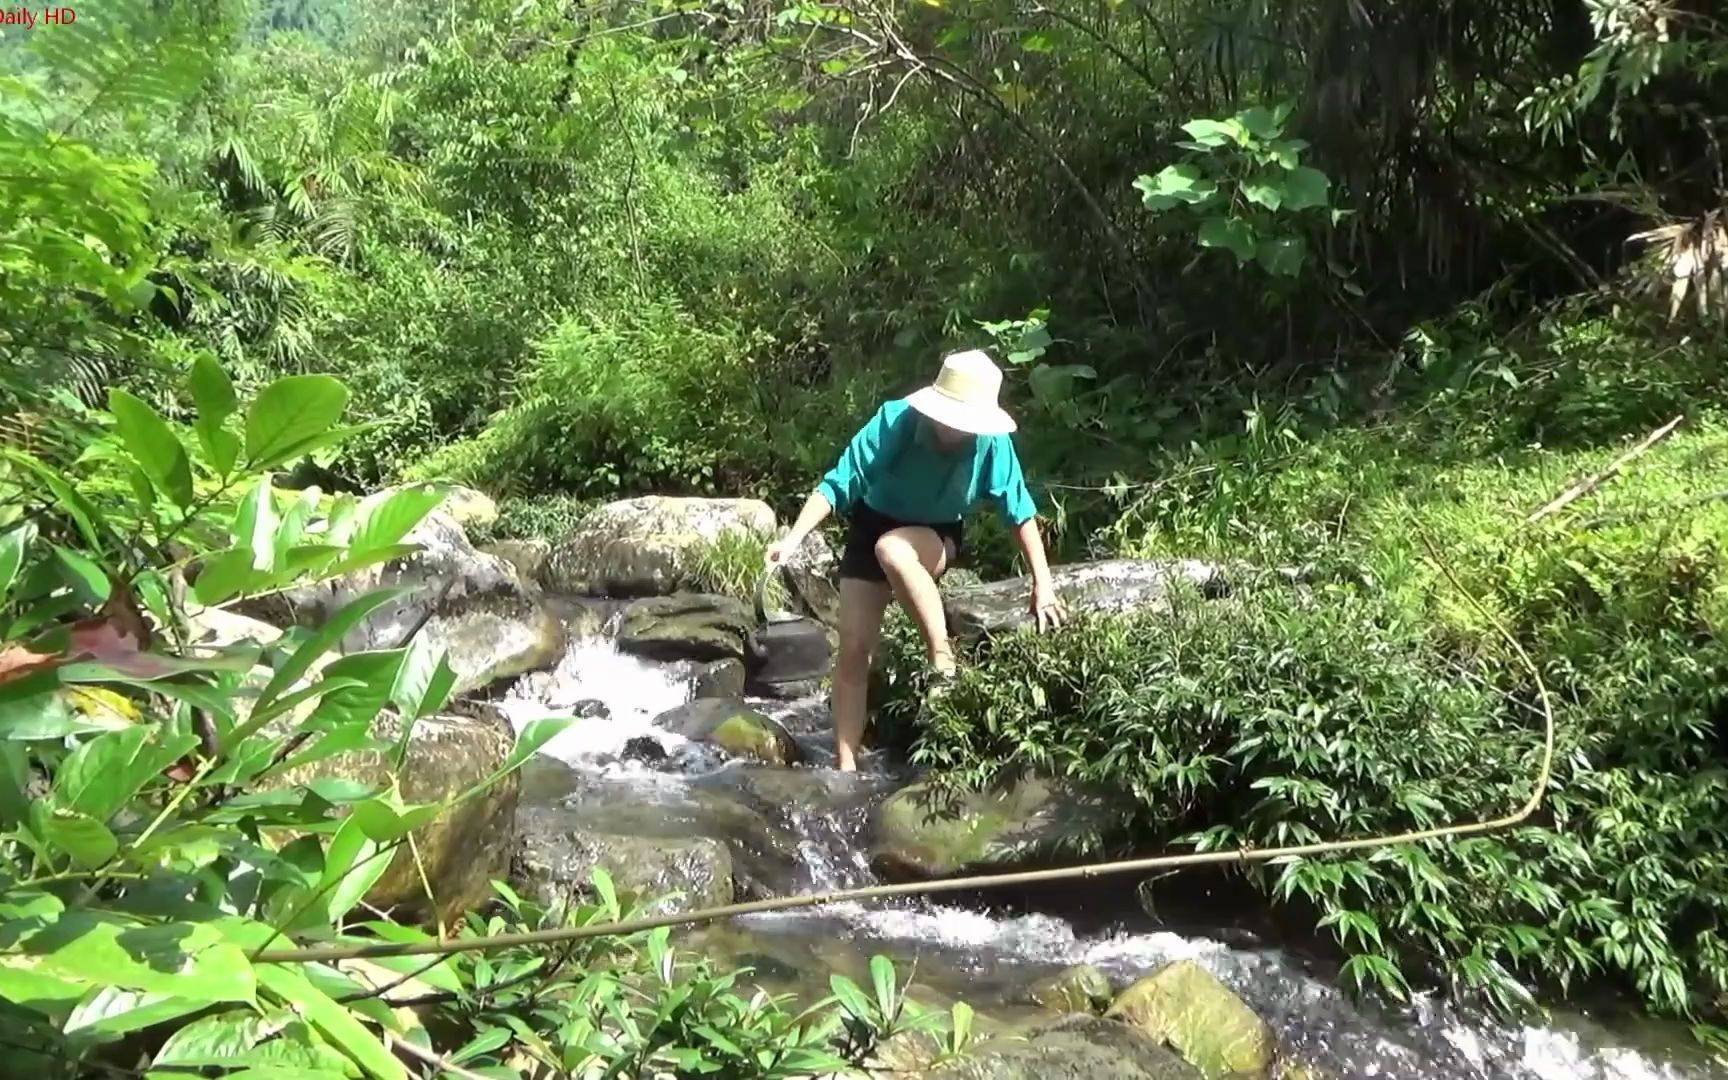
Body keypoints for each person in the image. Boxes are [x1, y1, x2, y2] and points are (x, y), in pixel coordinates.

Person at [765, 348, 1067, 772]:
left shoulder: (991, 444)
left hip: (935, 534)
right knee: (852, 649)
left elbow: (1019, 511)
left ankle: (942, 658)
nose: (954, 430)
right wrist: (793, 539)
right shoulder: (897, 420)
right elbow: (838, 483)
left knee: (894, 548)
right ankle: (846, 767)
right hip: (872, 522)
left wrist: (1044, 583)